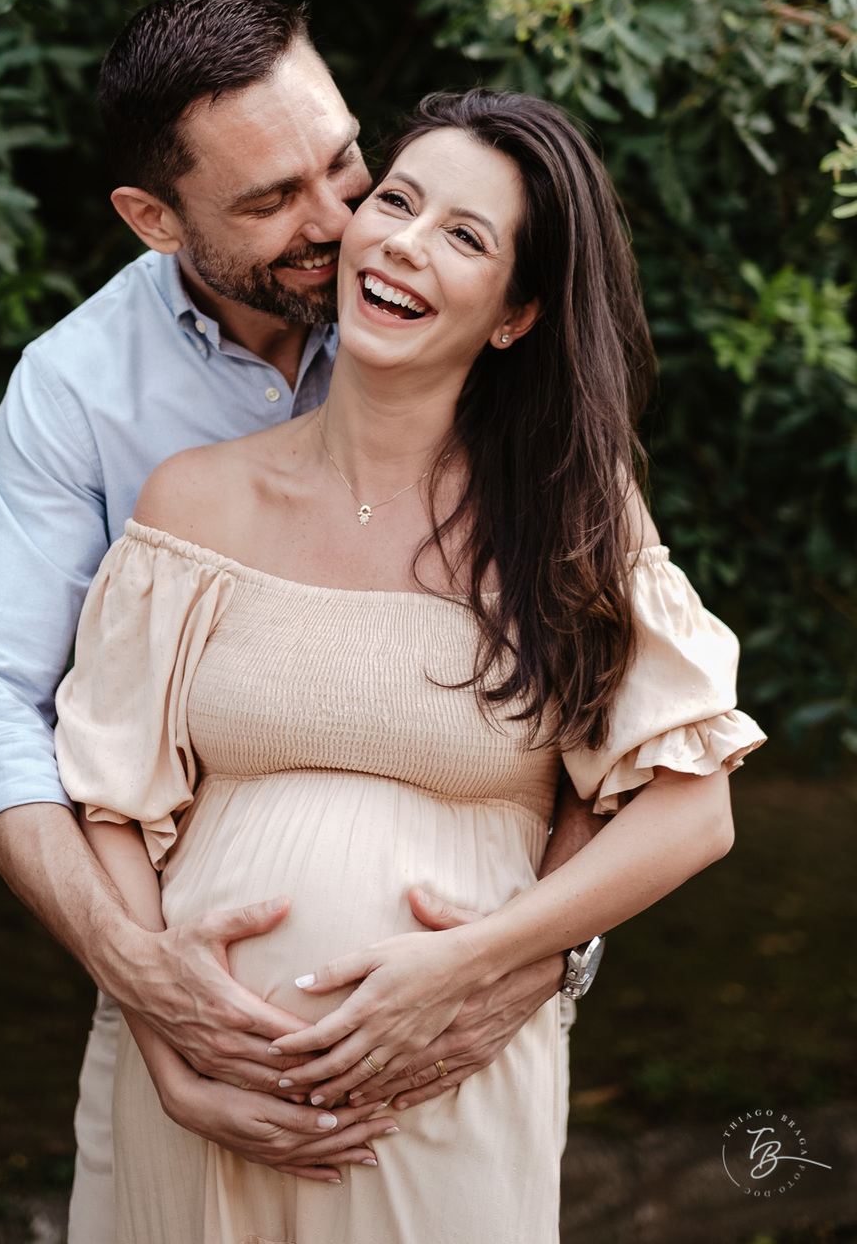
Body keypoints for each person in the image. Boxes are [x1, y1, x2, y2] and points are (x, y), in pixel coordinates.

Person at [0, 0, 598, 1241]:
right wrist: (147, 993)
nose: (347, 224)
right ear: (153, 218)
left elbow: (613, 721)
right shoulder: (78, 392)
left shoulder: (459, 335)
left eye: (346, 161)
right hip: (183, 1054)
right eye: (271, 199)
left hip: (448, 1066)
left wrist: (535, 963)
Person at [53, 87, 767, 1244]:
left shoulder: (569, 522)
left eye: (466, 236)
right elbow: (109, 797)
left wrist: (479, 965)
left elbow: (693, 815)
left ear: (514, 314)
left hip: (437, 1092)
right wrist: (165, 1016)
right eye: (398, 200)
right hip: (191, 1093)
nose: (404, 243)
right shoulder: (194, 499)